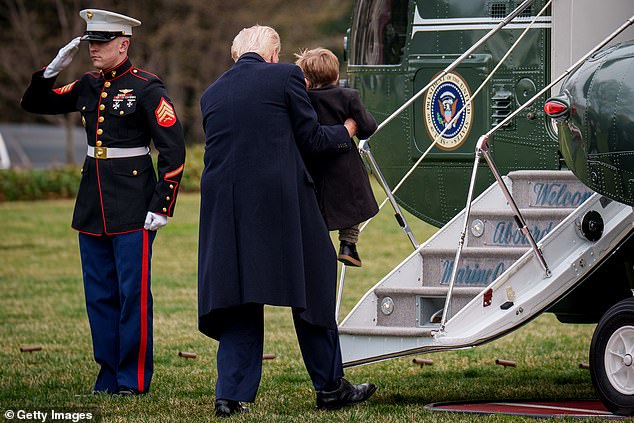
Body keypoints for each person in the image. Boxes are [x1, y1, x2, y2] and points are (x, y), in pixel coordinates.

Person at [198, 25, 376, 417]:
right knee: (314, 286)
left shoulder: (211, 93)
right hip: (283, 203)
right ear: (274, 54)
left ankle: (231, 395)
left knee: (240, 298)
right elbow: (310, 138)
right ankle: (330, 388)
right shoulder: (286, 77)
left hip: (224, 209)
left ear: (236, 56)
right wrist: (346, 132)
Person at [21, 9, 186, 396]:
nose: (93, 49)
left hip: (133, 203)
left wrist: (163, 203)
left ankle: (132, 378)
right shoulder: (88, 84)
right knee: (99, 295)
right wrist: (50, 71)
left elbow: (173, 150)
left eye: (102, 42)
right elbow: (34, 104)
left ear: (123, 44)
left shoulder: (147, 87)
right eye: (91, 42)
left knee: (132, 296)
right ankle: (108, 374)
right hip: (92, 202)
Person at [295, 47, 379, 268]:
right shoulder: (347, 96)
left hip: (314, 166)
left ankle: (319, 250)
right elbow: (368, 128)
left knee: (319, 210)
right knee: (353, 206)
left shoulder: (302, 100)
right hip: (345, 167)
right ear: (335, 75)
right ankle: (348, 245)